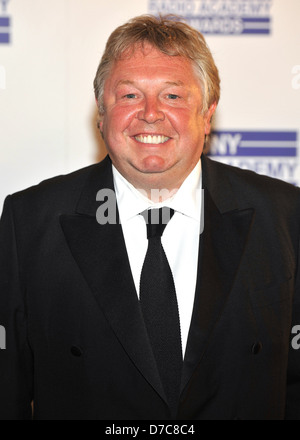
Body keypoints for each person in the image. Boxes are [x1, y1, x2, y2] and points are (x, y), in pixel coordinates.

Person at [0, 14, 300, 421]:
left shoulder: (285, 216)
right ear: (101, 112)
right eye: (129, 96)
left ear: (208, 113)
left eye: (173, 96)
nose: (151, 113)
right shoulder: (29, 223)